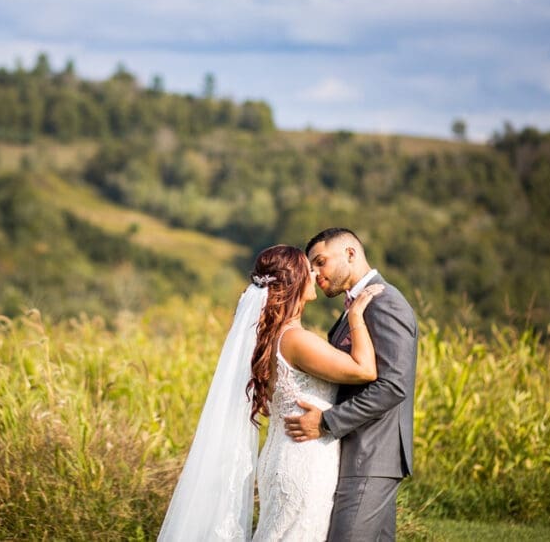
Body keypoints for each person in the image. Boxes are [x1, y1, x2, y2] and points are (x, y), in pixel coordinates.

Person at [158, 244, 383, 541]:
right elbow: (364, 370)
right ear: (294, 283)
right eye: (309, 270)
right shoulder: (296, 340)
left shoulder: (274, 338)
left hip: (284, 455)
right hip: (303, 461)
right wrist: (355, 317)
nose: (315, 275)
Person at [285, 228, 418, 542]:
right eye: (312, 267)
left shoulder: (385, 303)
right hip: (360, 452)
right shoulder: (354, 307)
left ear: (350, 253)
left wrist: (328, 421)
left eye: (320, 262)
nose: (315, 274)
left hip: (371, 452)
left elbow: (393, 386)